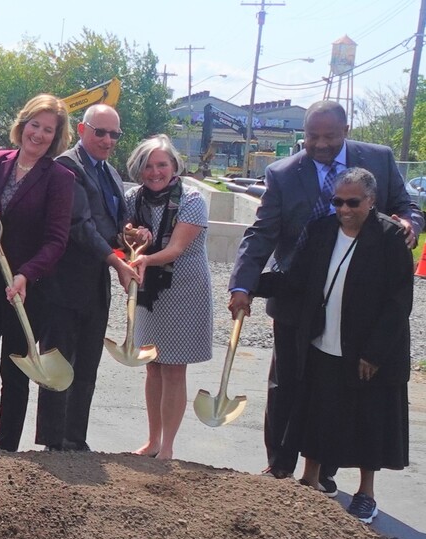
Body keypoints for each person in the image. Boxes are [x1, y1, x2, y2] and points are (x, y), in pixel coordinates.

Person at [229, 100, 423, 489]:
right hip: (296, 292)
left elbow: (407, 206)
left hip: (357, 302)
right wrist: (243, 284)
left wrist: (409, 222)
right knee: (287, 383)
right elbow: (262, 234)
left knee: (337, 387)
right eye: (312, 136)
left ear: (346, 130)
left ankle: (324, 470)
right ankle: (280, 466)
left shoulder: (380, 161)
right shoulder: (282, 173)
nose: (319, 144)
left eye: (329, 136)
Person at [253, 167, 412, 523]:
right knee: (317, 411)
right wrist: (248, 284)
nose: (344, 209)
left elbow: (398, 302)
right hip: (324, 340)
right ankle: (311, 480)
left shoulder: (389, 238)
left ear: (371, 201)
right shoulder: (323, 230)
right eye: (337, 201)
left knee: (367, 418)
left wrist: (374, 352)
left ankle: (365, 493)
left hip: (368, 349)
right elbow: (297, 280)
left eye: (352, 202)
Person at [0, 94, 72, 451]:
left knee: (14, 365)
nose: (38, 135)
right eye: (34, 125)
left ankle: (8, 446)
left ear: (56, 137)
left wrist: (26, 274)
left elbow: (56, 241)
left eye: (48, 130)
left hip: (28, 286)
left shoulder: (59, 178)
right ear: (22, 124)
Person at [32, 104, 139, 452]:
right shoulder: (67, 168)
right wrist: (116, 261)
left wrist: (131, 239)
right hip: (63, 283)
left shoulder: (110, 174)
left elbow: (113, 224)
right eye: (101, 132)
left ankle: (74, 438)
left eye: (114, 134)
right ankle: (52, 439)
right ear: (82, 130)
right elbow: (80, 226)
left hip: (96, 283)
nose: (108, 140)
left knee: (87, 364)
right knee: (58, 360)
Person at [122, 135, 212, 460]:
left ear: (174, 166)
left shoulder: (192, 199)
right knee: (152, 367)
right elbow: (125, 235)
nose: (155, 172)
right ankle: (152, 440)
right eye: (148, 166)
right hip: (150, 293)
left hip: (184, 291)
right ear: (139, 169)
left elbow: (175, 249)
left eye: (162, 164)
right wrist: (133, 237)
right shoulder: (133, 199)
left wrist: (144, 259)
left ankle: (168, 447)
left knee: (174, 369)